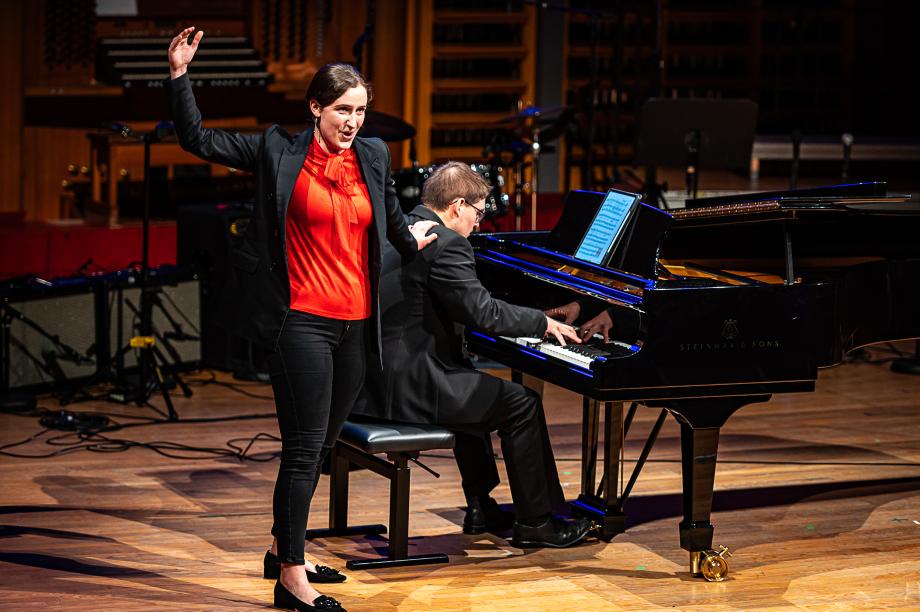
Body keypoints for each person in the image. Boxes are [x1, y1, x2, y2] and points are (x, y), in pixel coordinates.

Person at [167, 27, 437, 612]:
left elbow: (390, 221)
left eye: (360, 111)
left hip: (355, 326)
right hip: (302, 323)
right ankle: (291, 576)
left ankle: (281, 547)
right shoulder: (277, 152)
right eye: (343, 110)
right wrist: (180, 75)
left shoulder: (373, 154)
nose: (353, 122)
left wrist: (415, 238)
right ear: (316, 107)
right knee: (302, 448)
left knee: (320, 449)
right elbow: (197, 138)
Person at [352, 162, 595, 548]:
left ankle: (481, 505)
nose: (479, 224)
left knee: (471, 382)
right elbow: (484, 313)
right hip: (412, 388)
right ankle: (536, 524)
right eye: (478, 214)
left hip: (371, 383)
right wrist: (541, 323)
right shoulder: (448, 243)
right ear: (458, 205)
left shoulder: (399, 229)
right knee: (522, 404)